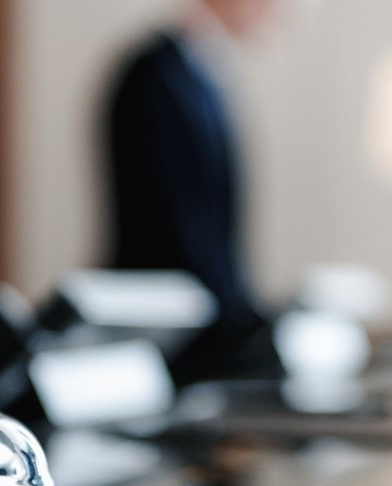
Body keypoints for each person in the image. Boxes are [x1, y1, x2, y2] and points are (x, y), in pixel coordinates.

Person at [106, 0, 278, 382]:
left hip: (203, 331)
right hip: (166, 333)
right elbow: (176, 225)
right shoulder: (155, 76)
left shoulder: (204, 75)